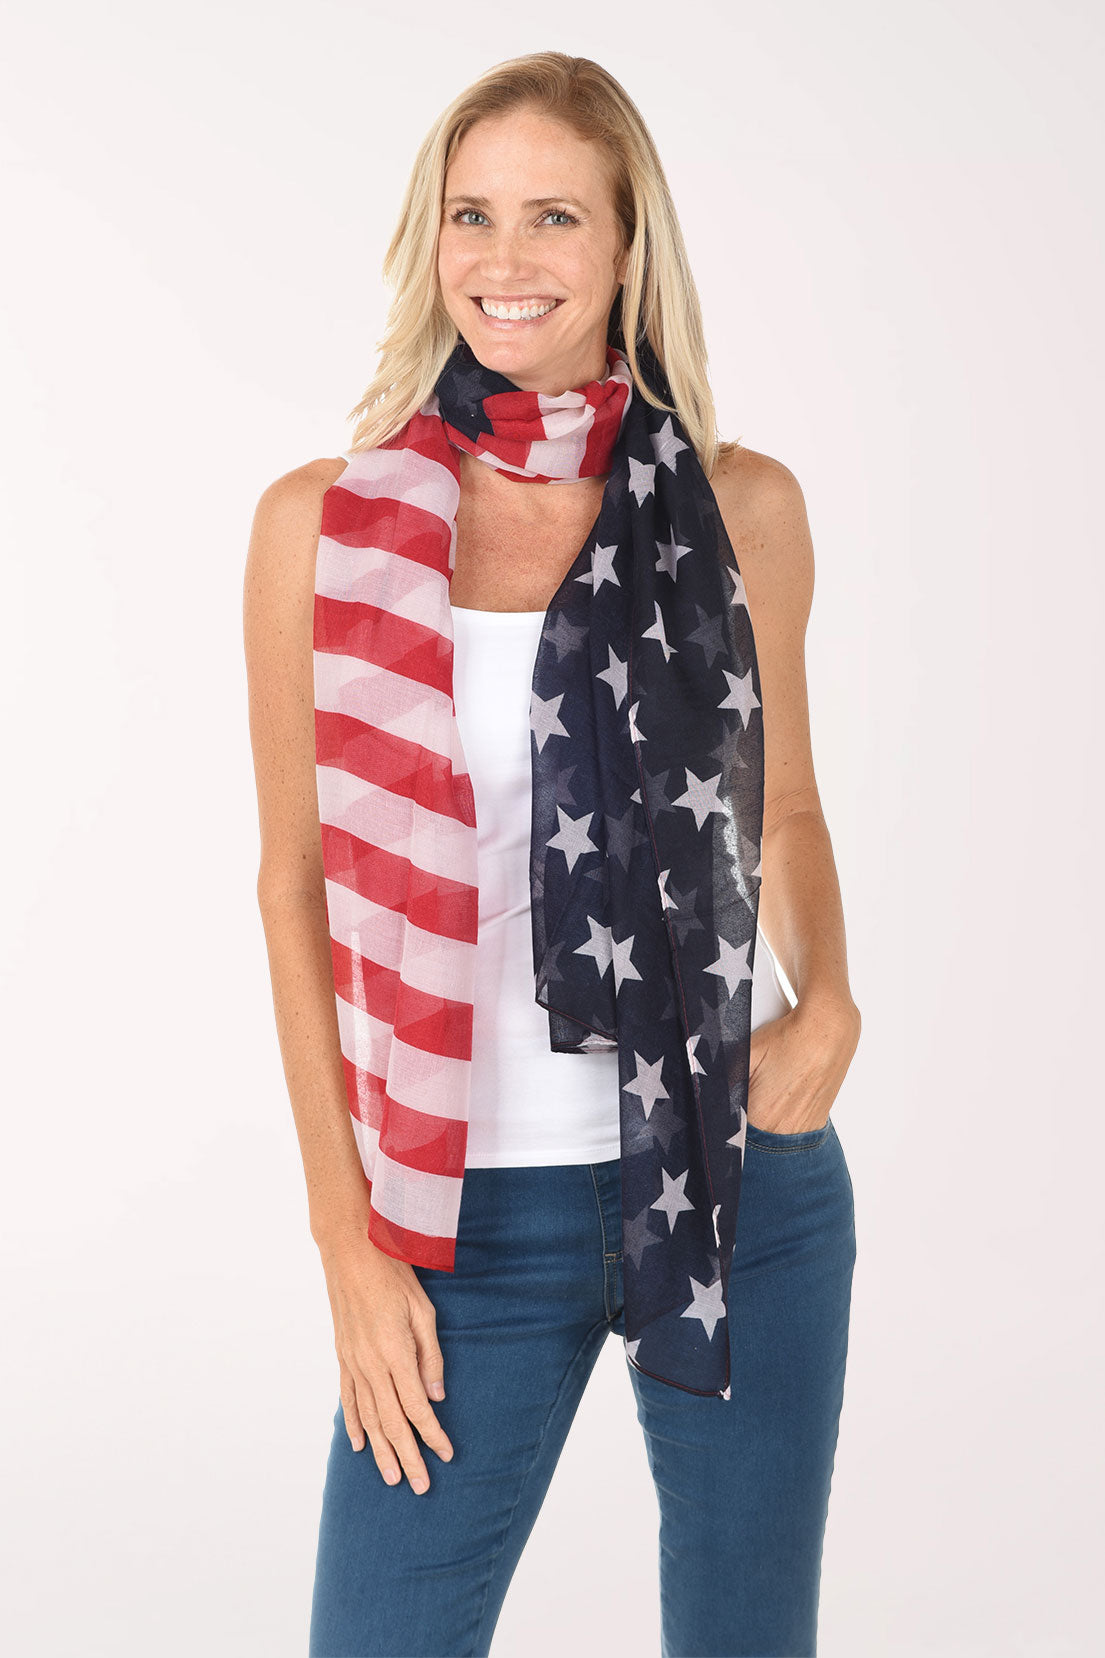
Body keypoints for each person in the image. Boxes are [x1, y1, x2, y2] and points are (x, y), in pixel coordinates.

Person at [244, 51, 861, 1658]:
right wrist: (347, 1243)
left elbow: (780, 807)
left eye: (552, 216)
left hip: (730, 1180)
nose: (502, 258)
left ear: (623, 249)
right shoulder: (326, 523)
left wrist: (834, 1000)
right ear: (429, 237)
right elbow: (292, 880)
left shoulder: (739, 506)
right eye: (470, 213)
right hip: (463, 1217)